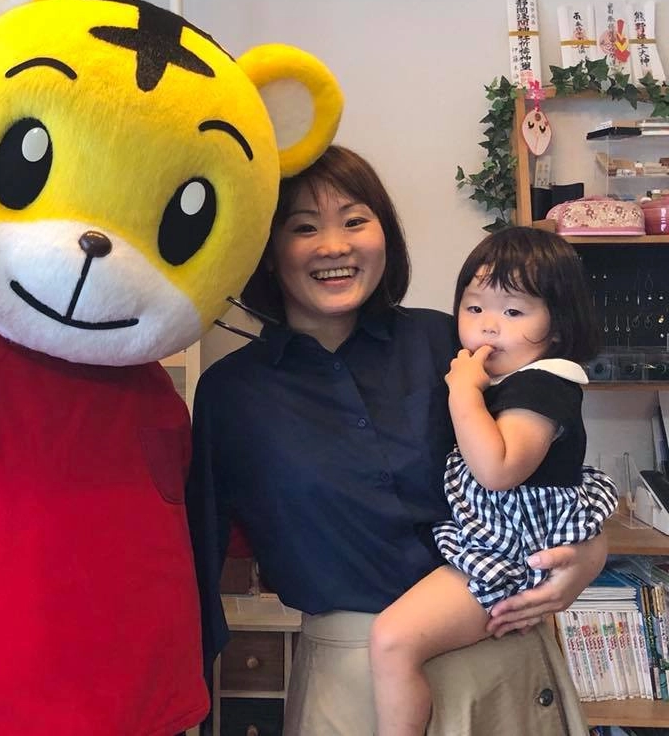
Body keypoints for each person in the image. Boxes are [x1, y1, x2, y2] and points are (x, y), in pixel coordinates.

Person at [186, 145, 609, 735]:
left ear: (384, 232)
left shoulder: (452, 344)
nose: (334, 246)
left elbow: (548, 460)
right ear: (268, 250)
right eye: (304, 228)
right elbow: (197, 557)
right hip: (349, 681)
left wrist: (590, 555)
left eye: (355, 220)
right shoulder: (232, 393)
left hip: (499, 662)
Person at [368, 226, 618, 736]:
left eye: (514, 312)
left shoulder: (544, 385)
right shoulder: (511, 379)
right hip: (503, 543)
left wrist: (462, 393)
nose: (488, 326)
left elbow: (497, 470)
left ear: (558, 325)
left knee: (393, 640)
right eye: (475, 307)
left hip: (513, 552)